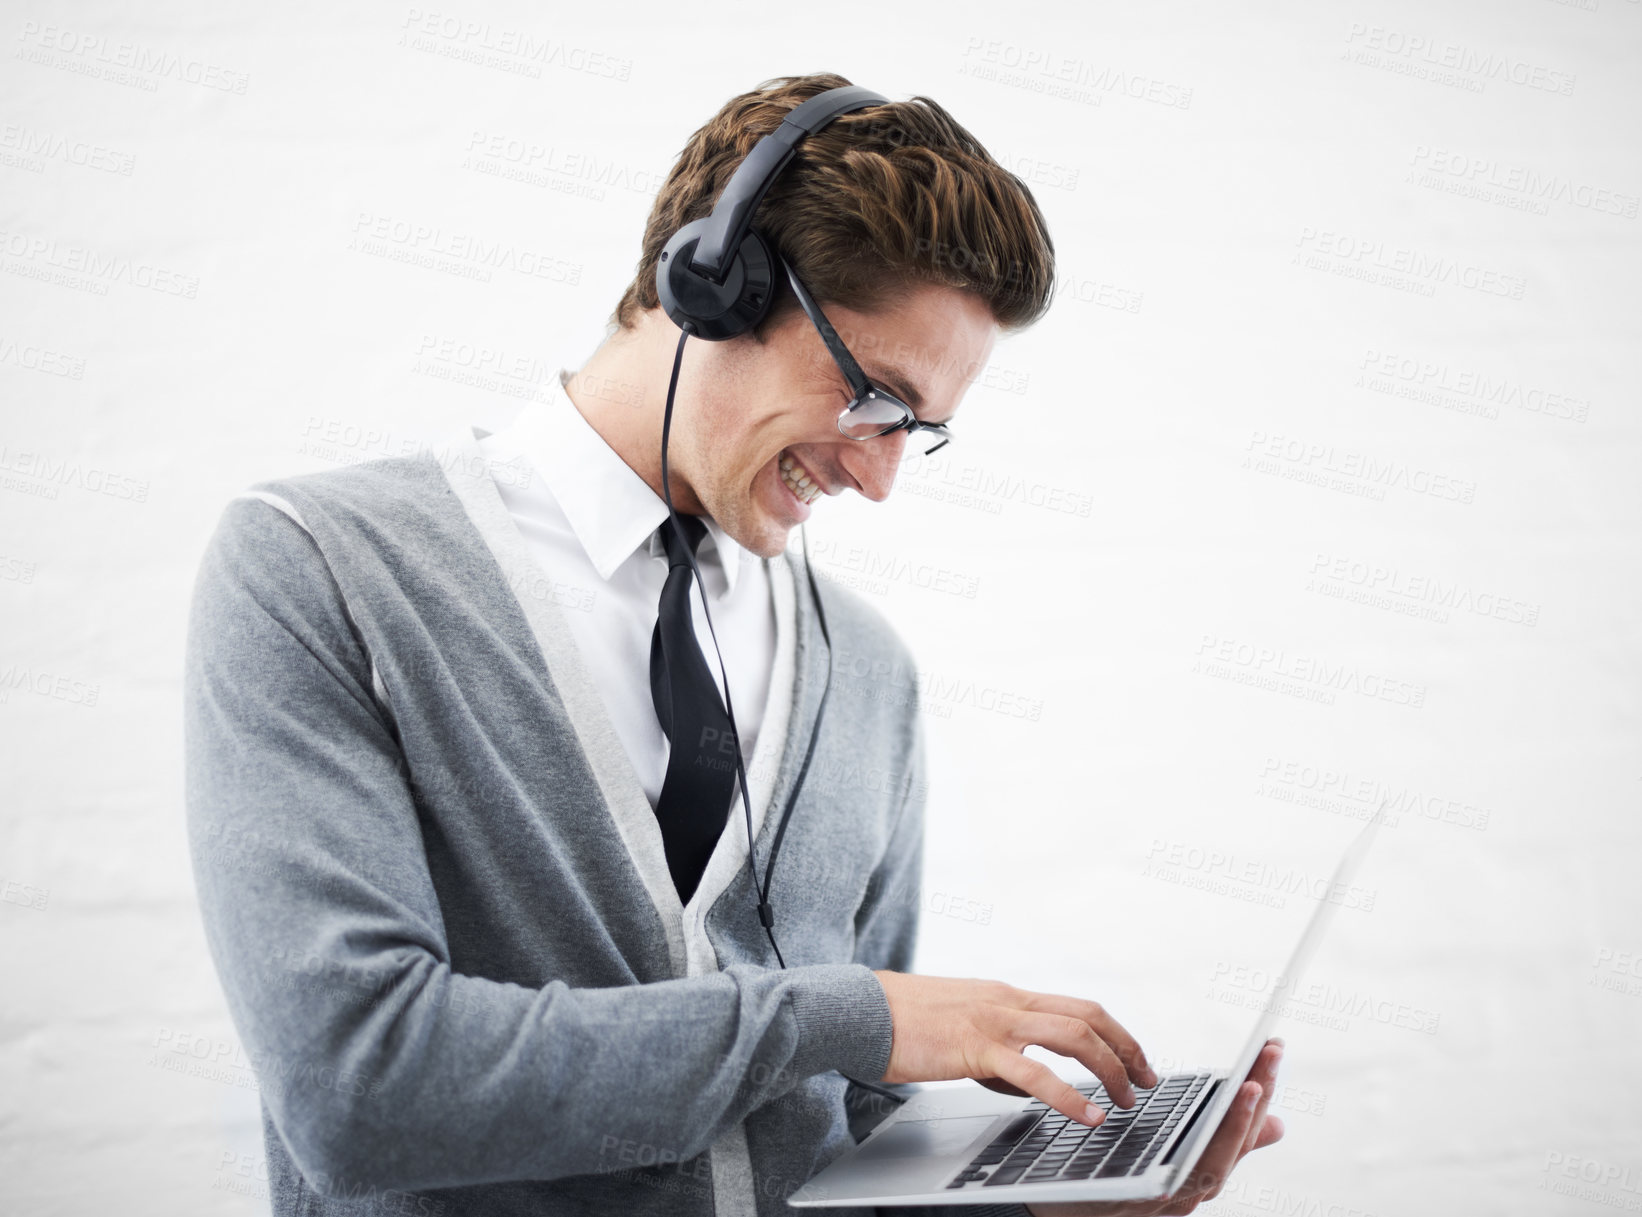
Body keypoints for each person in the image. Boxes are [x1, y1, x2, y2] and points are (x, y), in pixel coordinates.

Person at [183, 72, 1282, 1217]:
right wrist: (845, 1011)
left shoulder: (865, 668)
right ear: (713, 284)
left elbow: (851, 1121)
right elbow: (357, 1088)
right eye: (870, 395)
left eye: (917, 431)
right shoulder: (321, 568)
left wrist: (1028, 1204)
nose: (878, 474)